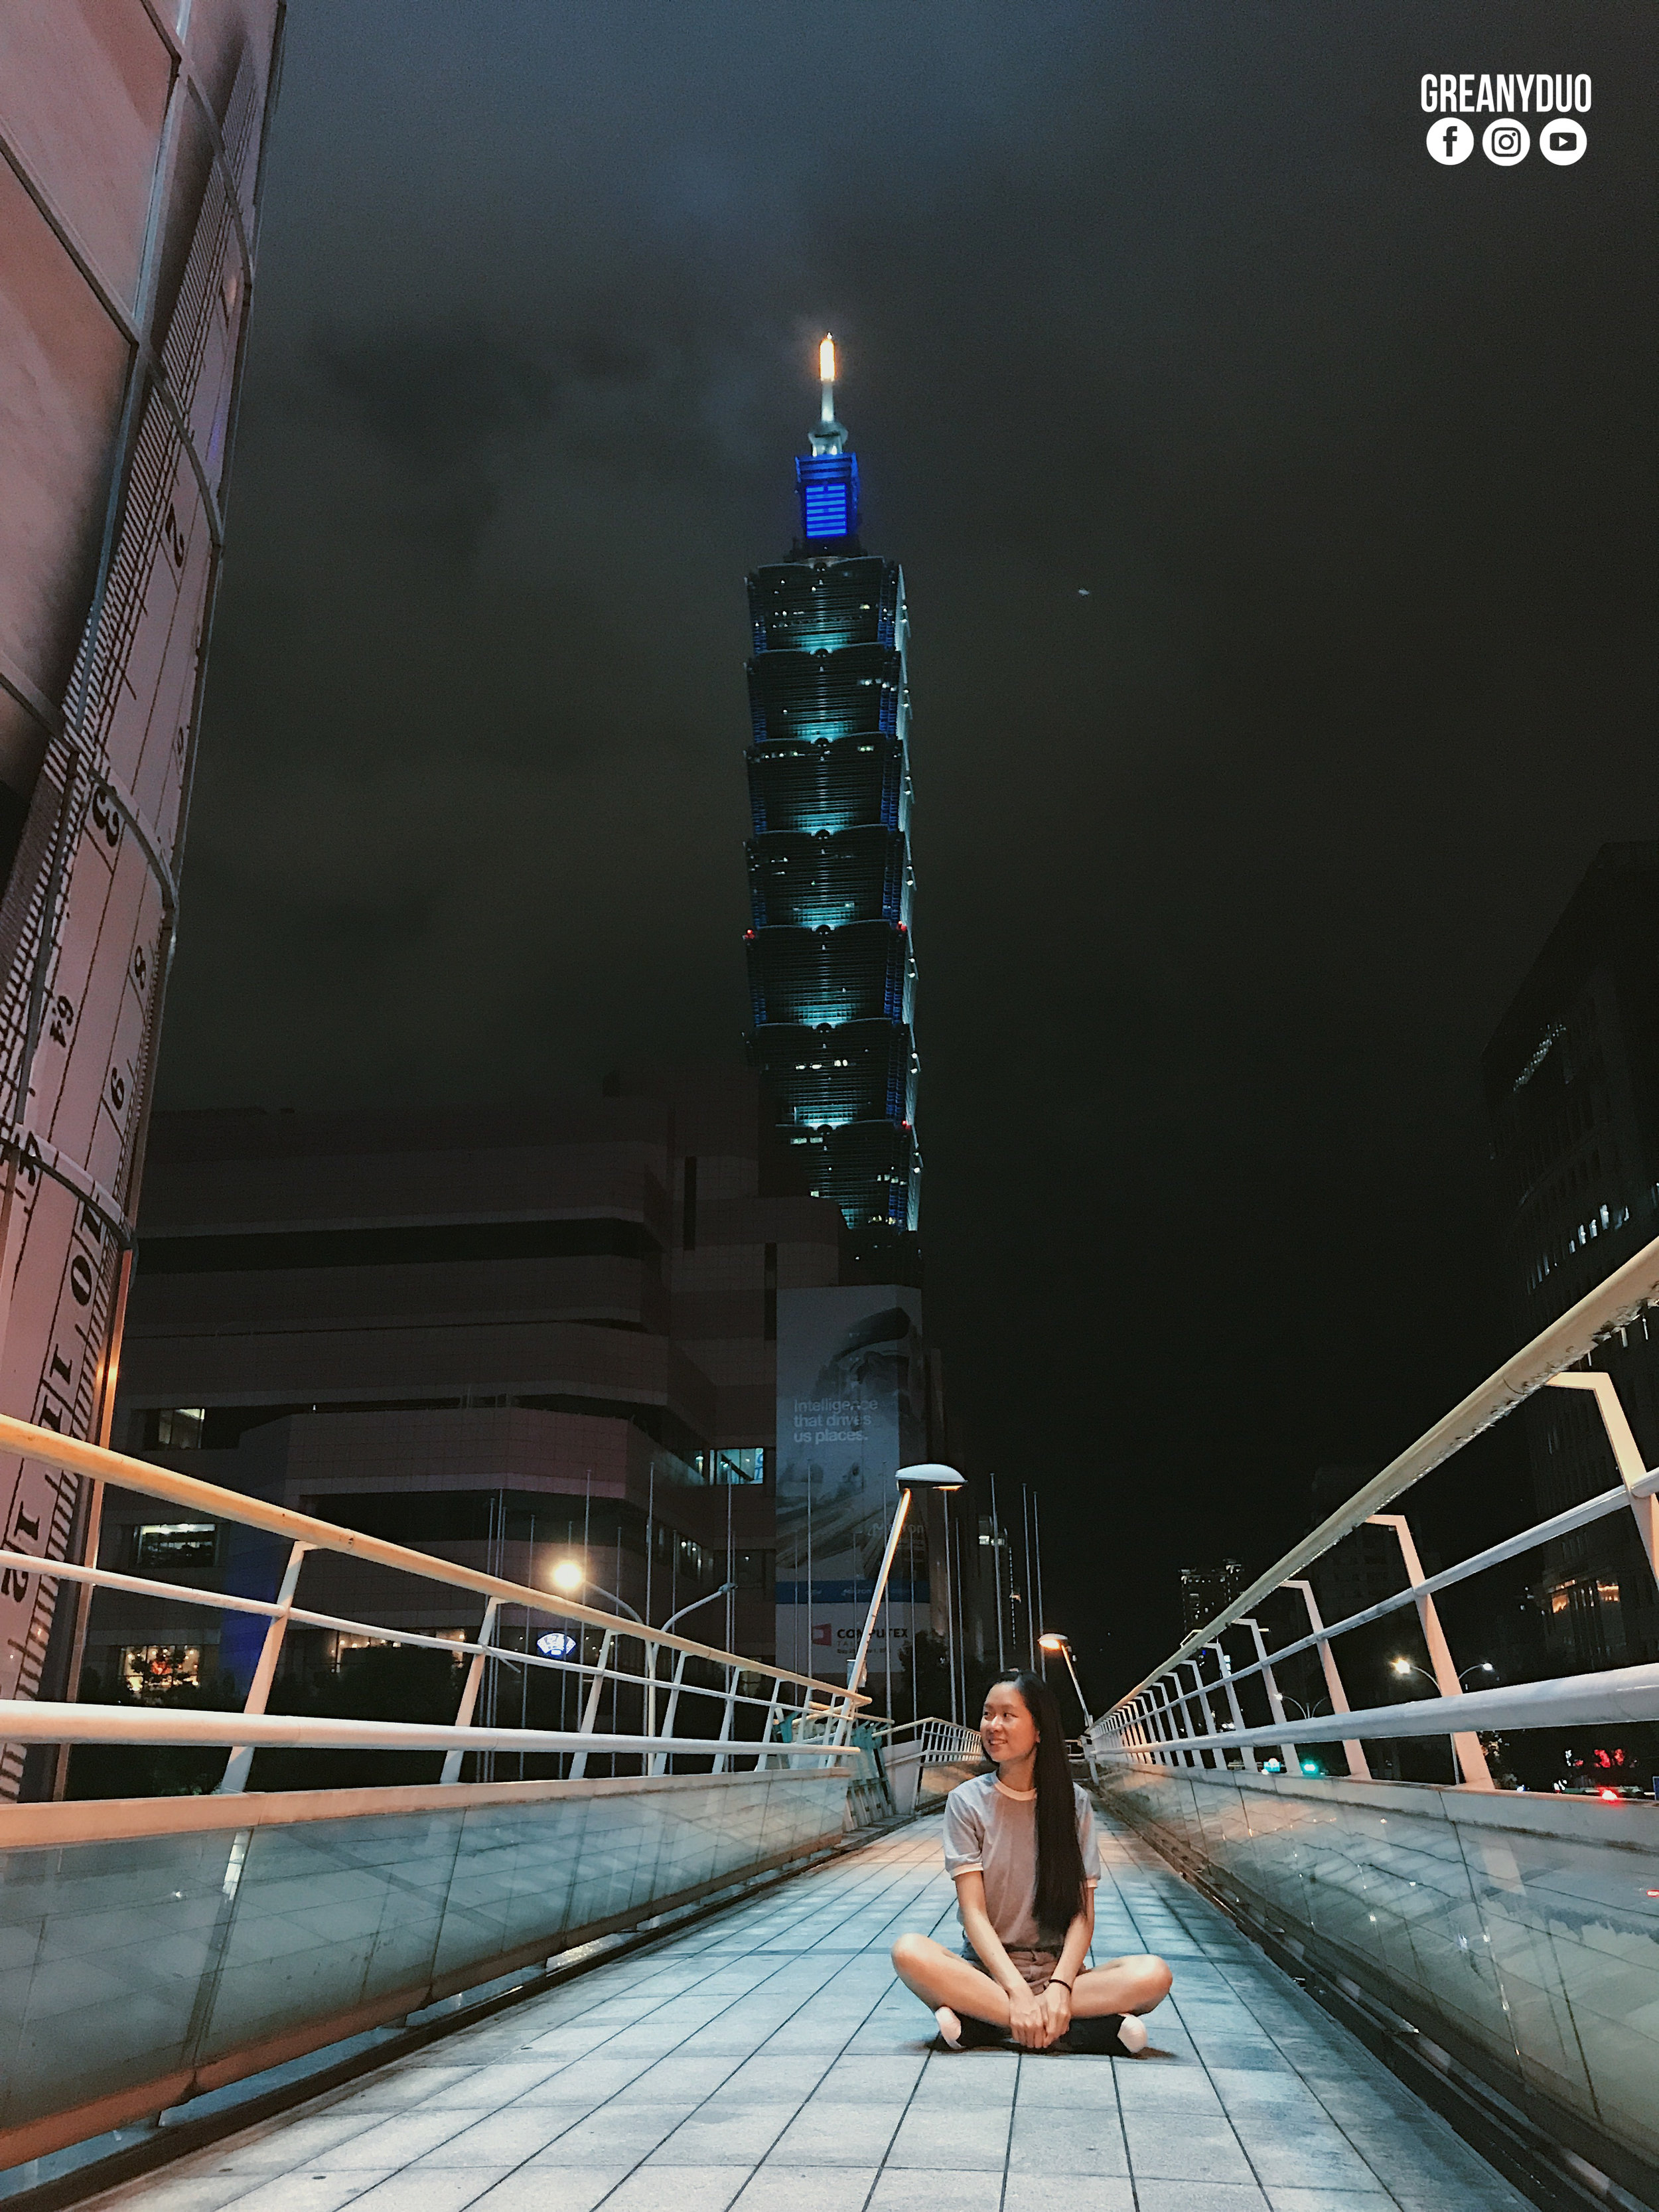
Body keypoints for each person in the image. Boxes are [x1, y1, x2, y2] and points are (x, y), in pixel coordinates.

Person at [891, 1669, 1173, 2053]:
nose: (993, 1726)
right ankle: (1074, 2030)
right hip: (988, 1973)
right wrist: (1017, 1992)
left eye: (1008, 1715)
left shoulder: (1073, 1804)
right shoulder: (966, 1802)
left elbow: (1082, 1915)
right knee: (909, 1951)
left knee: (1153, 1975)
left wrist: (1058, 1986)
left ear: (1039, 1729)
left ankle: (985, 2024)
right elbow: (974, 1914)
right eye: (988, 1714)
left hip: (1060, 1973)